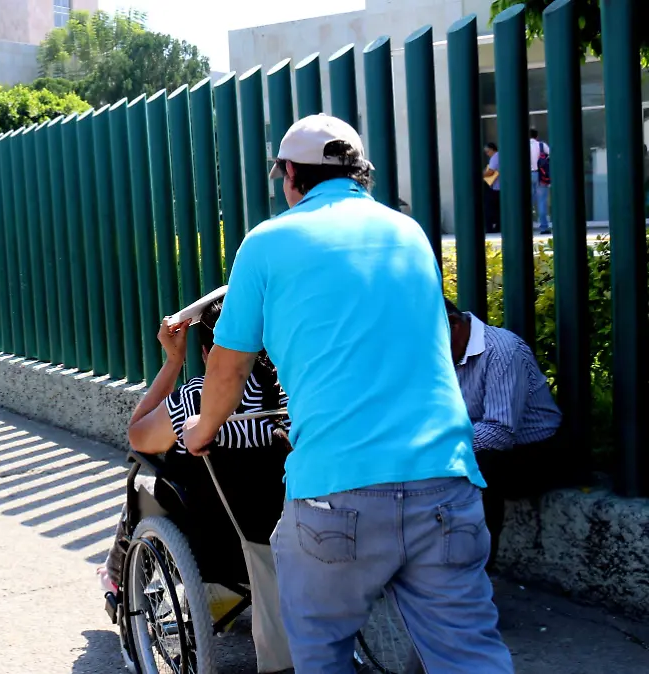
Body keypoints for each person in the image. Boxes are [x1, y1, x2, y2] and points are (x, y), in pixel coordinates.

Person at [183, 114, 511, 672]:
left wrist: (202, 430)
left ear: (290, 175)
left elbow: (228, 367)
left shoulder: (266, 243)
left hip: (336, 491)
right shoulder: (409, 233)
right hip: (446, 479)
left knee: (320, 649)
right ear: (361, 176)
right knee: (468, 654)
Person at [103, 299, 293, 673]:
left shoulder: (194, 399)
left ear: (208, 354)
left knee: (150, 484)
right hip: (295, 535)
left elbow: (137, 436)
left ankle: (114, 575)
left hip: (221, 549)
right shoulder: (294, 395)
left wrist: (173, 362)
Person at [445, 298, 562, 569]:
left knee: (480, 470)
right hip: (471, 439)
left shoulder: (502, 350)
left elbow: (499, 431)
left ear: (454, 325)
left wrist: (439, 446)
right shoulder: (439, 352)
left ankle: (476, 578)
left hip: (536, 451)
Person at [530, 129, 551, 234]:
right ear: (536, 136)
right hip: (541, 175)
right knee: (542, 201)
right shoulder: (542, 145)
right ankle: (543, 227)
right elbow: (551, 155)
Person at [483, 142, 501, 234]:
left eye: (488, 151)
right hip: (498, 186)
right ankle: (498, 227)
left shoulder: (495, 157)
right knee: (498, 208)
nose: (487, 154)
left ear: (492, 149)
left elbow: (490, 172)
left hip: (496, 188)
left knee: (488, 208)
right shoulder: (499, 156)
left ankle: (490, 228)